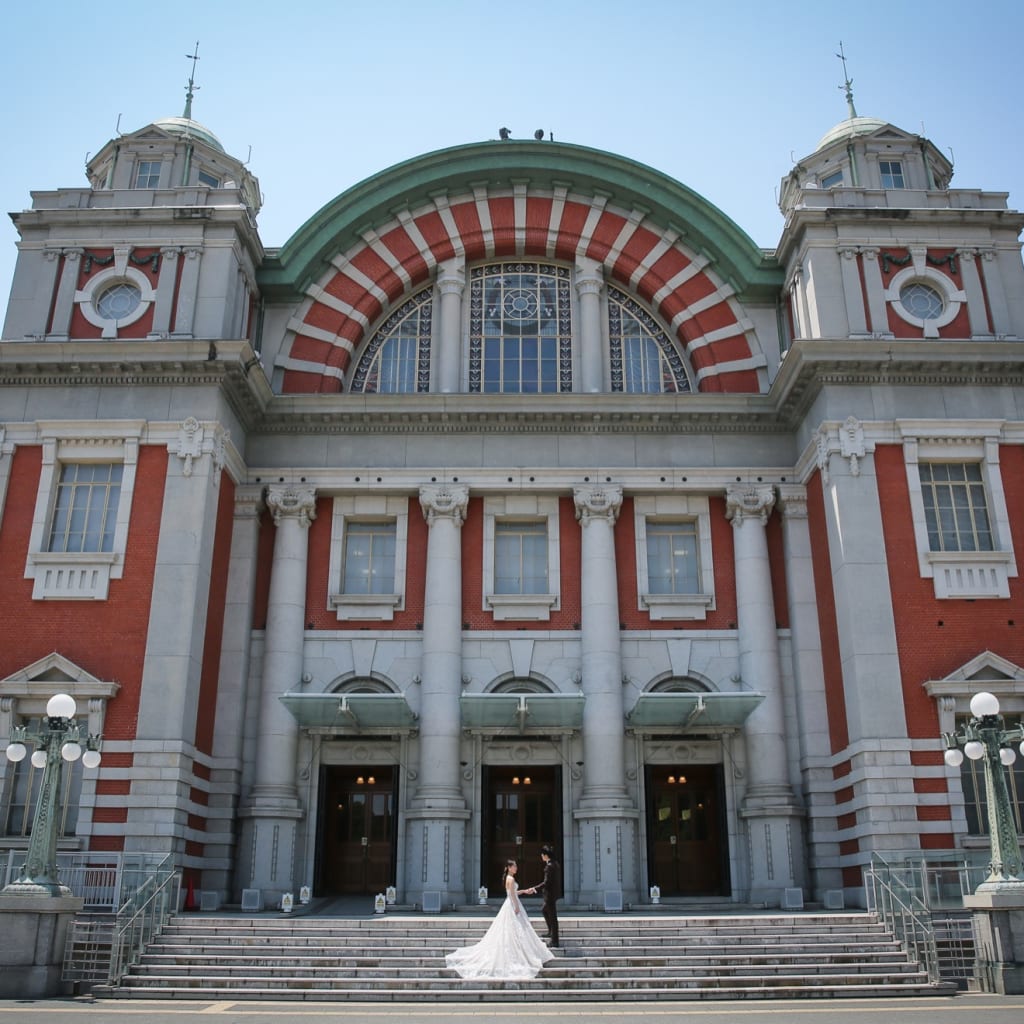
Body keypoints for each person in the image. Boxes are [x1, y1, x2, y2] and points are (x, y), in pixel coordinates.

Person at [445, 859, 554, 980]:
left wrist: (524, 891)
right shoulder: (510, 879)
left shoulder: (509, 878)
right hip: (512, 904)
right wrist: (517, 906)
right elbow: (512, 895)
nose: (516, 868)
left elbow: (513, 892)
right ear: (509, 867)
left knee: (516, 929)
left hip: (511, 903)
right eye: (514, 866)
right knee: (517, 928)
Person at [521, 844, 561, 947]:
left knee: (552, 917)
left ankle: (555, 941)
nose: (541, 856)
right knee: (544, 910)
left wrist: (534, 889)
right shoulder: (555, 864)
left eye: (542, 854)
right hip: (554, 894)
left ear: (546, 855)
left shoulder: (549, 866)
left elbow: (546, 882)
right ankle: (551, 932)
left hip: (550, 895)